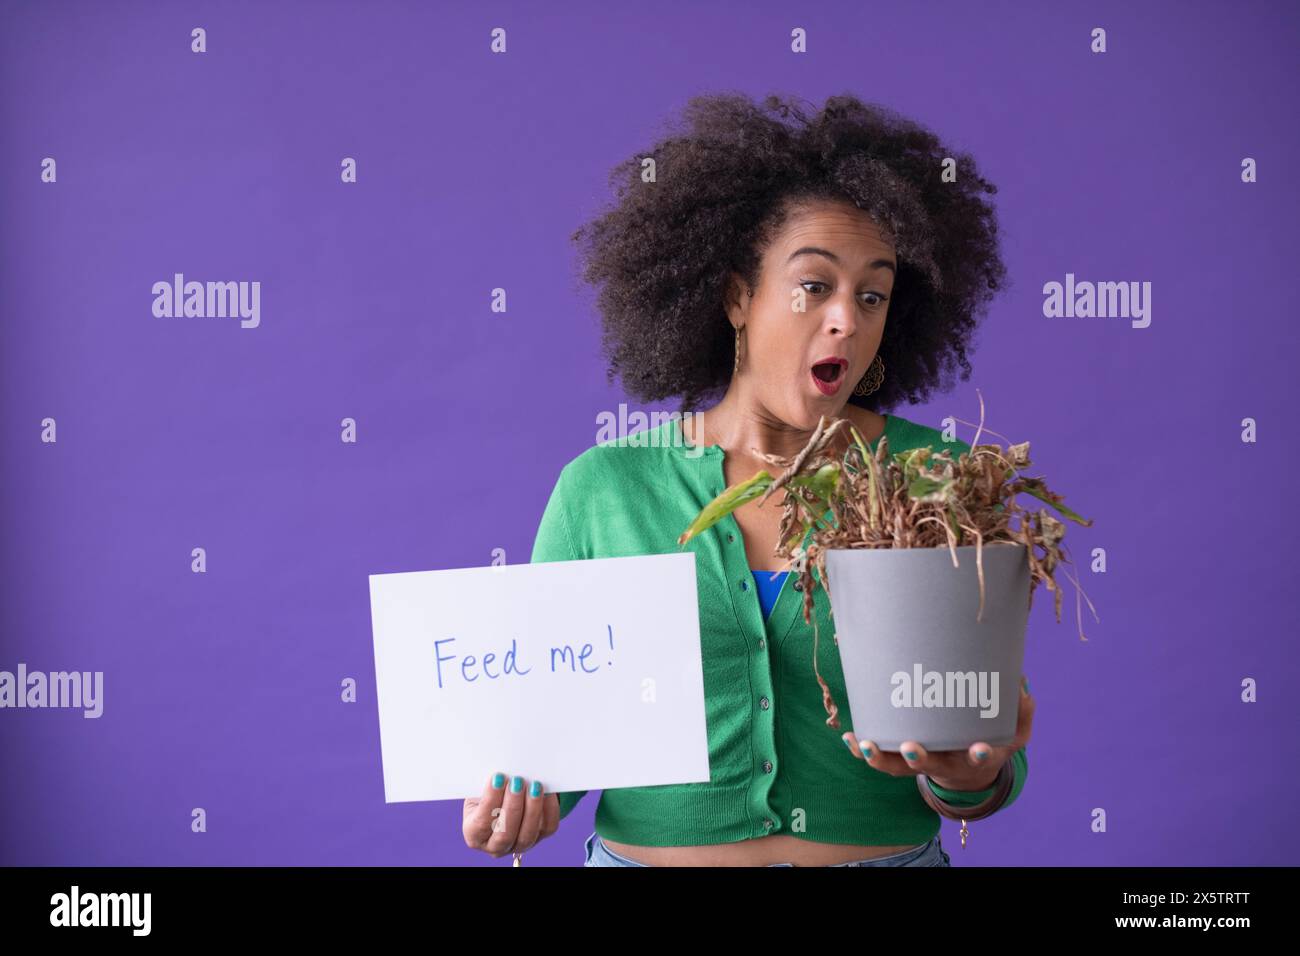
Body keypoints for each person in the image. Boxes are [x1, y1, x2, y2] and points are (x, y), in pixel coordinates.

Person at [463, 92, 1034, 866]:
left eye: (873, 295)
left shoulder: (934, 481)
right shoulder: (602, 489)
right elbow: (563, 739)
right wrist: (521, 803)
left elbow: (971, 759)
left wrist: (974, 773)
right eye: (814, 286)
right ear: (737, 296)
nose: (847, 320)